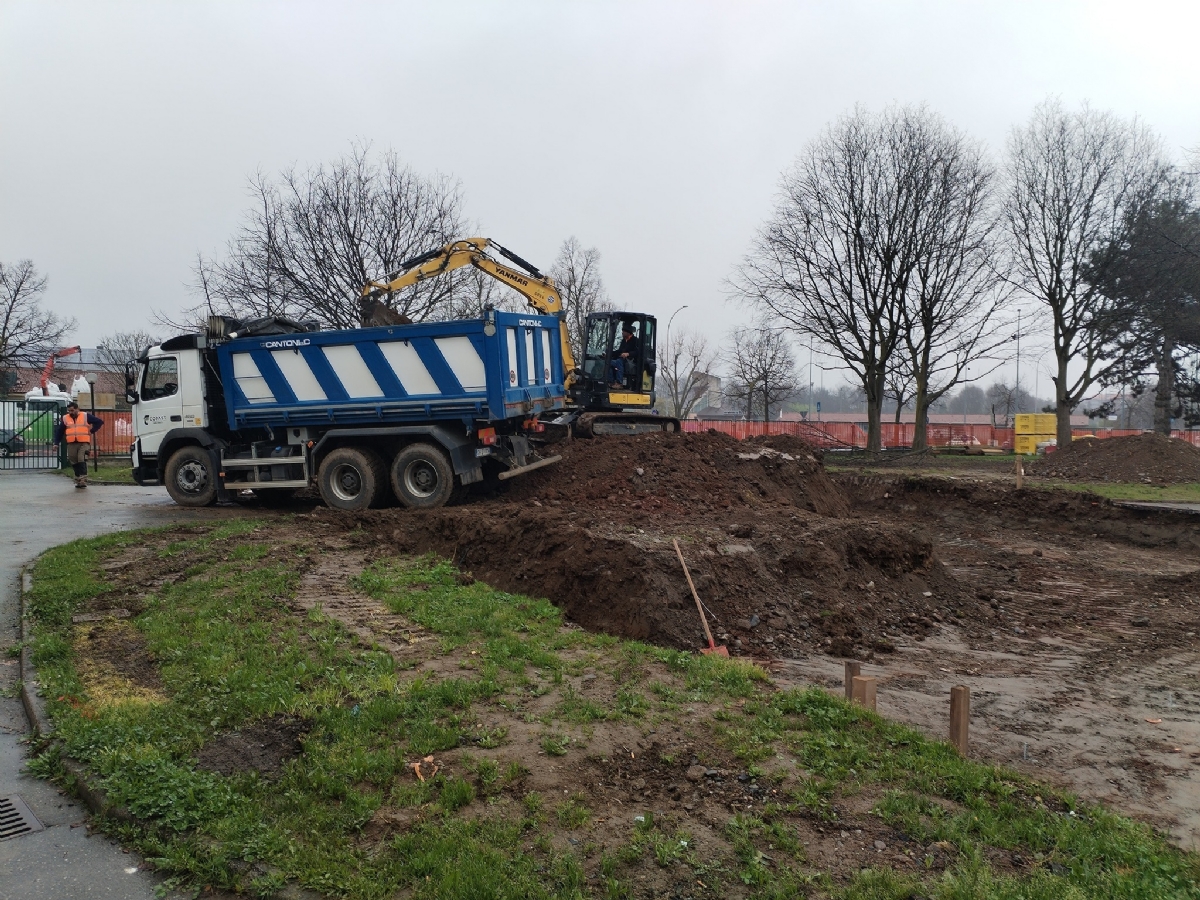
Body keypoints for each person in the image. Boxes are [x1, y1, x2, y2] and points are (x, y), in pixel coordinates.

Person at [54, 400, 104, 488]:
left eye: (72, 410)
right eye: (69, 410)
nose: (70, 412)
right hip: (71, 443)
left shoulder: (85, 416)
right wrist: (56, 443)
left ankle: (83, 479)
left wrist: (92, 431)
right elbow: (60, 431)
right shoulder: (66, 418)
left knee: (81, 458)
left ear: (78, 409)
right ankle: (78, 478)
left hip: (84, 442)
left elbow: (99, 422)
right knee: (73, 460)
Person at [609, 322, 639, 389]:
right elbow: (619, 351)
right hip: (622, 359)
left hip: (631, 361)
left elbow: (638, 352)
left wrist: (628, 354)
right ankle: (611, 381)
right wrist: (609, 354)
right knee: (608, 362)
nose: (622, 333)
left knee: (619, 362)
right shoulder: (623, 341)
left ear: (628, 332)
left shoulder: (636, 340)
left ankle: (619, 383)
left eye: (623, 331)